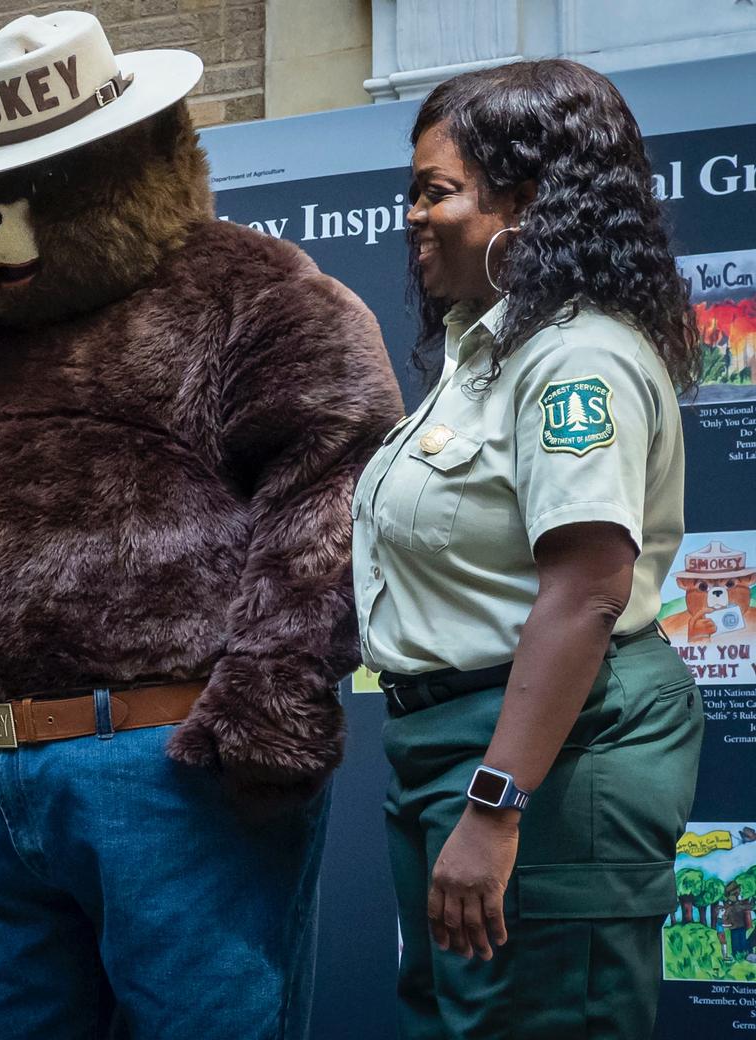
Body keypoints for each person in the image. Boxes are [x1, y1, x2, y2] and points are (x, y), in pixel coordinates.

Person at [353, 59, 704, 1039]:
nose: (413, 215)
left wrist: (497, 804)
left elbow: (588, 589)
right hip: (449, 749)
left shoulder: (574, 357)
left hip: (546, 760)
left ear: (529, 201)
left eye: (436, 190)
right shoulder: (489, 354)